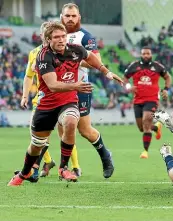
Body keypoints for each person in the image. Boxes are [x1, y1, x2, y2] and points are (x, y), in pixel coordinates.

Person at [7, 21, 122, 186]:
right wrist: (76, 85)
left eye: (63, 36)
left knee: (70, 121)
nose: (61, 40)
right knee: (36, 145)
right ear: (48, 40)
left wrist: (107, 72)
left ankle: (63, 168)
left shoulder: (75, 49)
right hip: (46, 104)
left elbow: (90, 57)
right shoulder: (43, 56)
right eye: (56, 37)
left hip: (68, 101)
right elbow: (53, 85)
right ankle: (24, 173)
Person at [57, 3, 114, 178]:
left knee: (85, 131)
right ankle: (63, 168)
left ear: (79, 17)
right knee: (61, 126)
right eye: (67, 16)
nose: (70, 19)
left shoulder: (85, 37)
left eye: (74, 16)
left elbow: (96, 61)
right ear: (62, 17)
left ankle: (105, 155)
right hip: (58, 89)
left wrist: (73, 58)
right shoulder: (56, 35)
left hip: (80, 88)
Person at [20, 22, 56, 181]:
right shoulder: (34, 53)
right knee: (37, 135)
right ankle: (46, 163)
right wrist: (24, 96)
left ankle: (67, 167)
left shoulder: (60, 51)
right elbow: (28, 76)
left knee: (62, 134)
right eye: (46, 34)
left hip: (59, 98)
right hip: (40, 98)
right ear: (42, 35)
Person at [124, 46, 172, 158]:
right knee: (142, 128)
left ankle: (145, 151)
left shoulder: (157, 66)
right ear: (141, 54)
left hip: (152, 99)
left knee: (146, 120)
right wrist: (128, 87)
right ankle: (156, 127)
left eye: (148, 53)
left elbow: (168, 77)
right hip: (137, 100)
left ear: (151, 55)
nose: (146, 55)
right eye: (144, 53)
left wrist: (166, 89)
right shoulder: (134, 66)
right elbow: (125, 78)